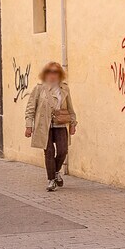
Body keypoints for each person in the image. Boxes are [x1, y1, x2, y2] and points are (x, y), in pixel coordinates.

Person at [22, 60, 77, 191]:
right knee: (49, 152)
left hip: (60, 124)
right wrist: (28, 126)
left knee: (63, 150)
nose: (53, 75)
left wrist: (73, 123)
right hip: (43, 126)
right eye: (50, 72)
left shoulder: (64, 88)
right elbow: (30, 108)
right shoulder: (39, 88)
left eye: (56, 72)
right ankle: (51, 180)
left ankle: (56, 172)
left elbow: (70, 108)